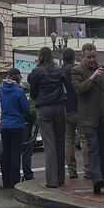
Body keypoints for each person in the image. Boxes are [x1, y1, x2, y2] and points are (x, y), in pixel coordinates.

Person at [71, 43, 104, 194]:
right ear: (83, 56)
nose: (92, 60)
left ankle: (102, 176)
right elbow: (79, 89)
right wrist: (92, 77)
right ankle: (96, 179)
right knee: (94, 147)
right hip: (88, 118)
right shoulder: (77, 71)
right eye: (89, 57)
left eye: (94, 57)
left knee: (103, 148)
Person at [29, 47, 67, 188]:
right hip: (59, 107)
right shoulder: (58, 70)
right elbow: (65, 85)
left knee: (50, 145)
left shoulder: (36, 72)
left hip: (44, 108)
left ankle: (52, 181)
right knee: (60, 143)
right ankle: (61, 177)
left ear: (40, 56)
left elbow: (33, 94)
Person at [0, 67, 29, 189]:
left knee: (6, 152)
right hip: (17, 125)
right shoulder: (19, 91)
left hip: (4, 125)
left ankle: (5, 180)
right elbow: (25, 108)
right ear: (18, 77)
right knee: (16, 153)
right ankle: (14, 180)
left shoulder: (1, 90)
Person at [62, 48, 89, 179]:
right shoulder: (77, 69)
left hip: (65, 109)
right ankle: (88, 169)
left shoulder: (59, 71)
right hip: (79, 108)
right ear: (73, 58)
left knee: (68, 140)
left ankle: (72, 170)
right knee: (84, 139)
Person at [20, 80, 36, 181]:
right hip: (27, 124)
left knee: (15, 151)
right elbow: (32, 111)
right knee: (27, 151)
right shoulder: (31, 97)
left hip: (17, 124)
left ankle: (13, 175)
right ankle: (28, 174)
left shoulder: (15, 94)